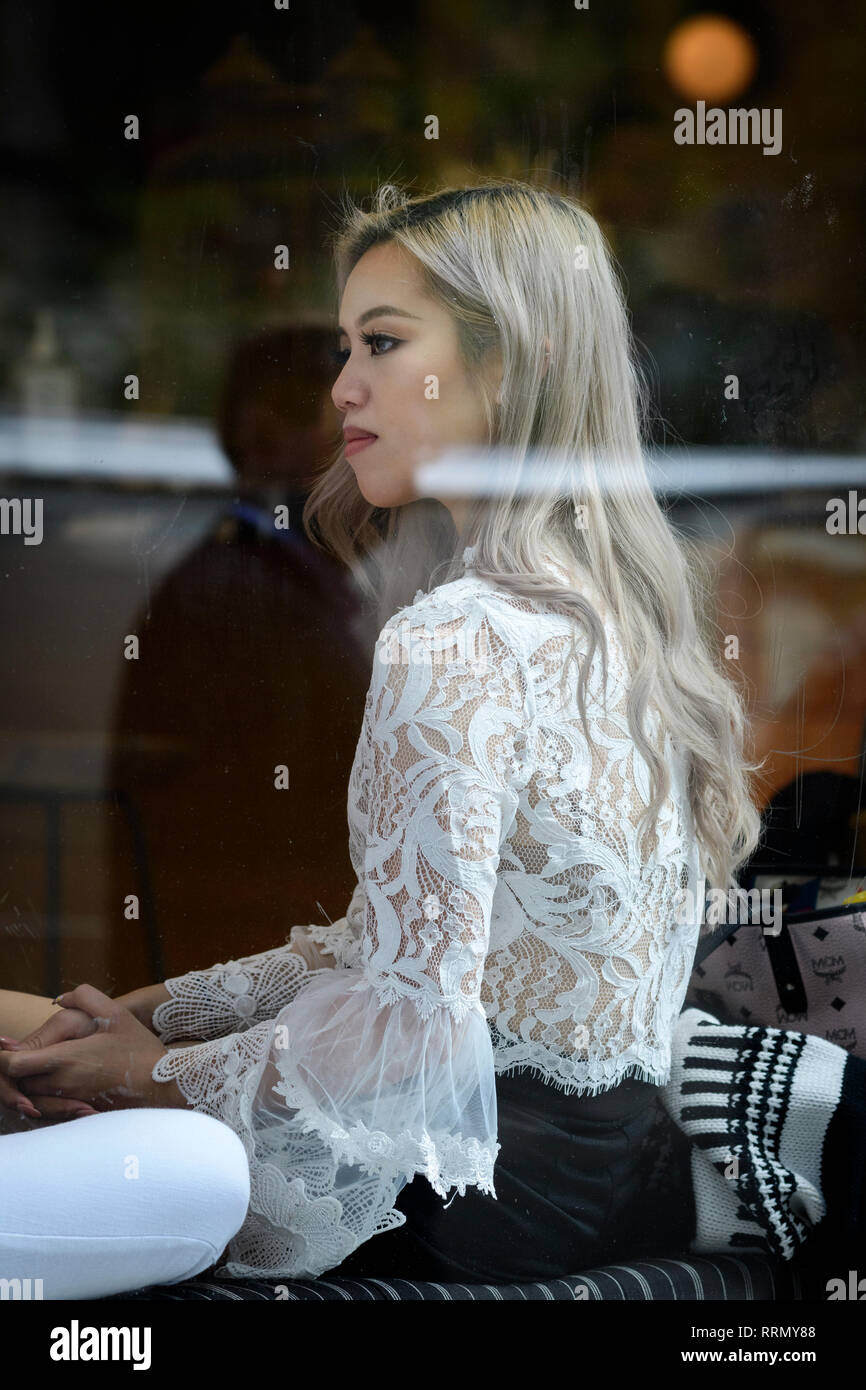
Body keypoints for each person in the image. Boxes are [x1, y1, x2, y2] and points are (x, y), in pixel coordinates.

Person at [0, 179, 762, 1296]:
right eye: (346, 347)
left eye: (383, 343)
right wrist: (148, 1015)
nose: (342, 387)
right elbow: (369, 952)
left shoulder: (456, 637)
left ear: (514, 359)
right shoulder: (627, 621)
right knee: (39, 1028)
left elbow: (409, 1027)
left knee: (85, 1092)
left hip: (461, 1199)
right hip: (577, 1185)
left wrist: (155, 1071)